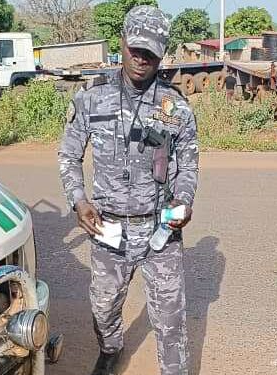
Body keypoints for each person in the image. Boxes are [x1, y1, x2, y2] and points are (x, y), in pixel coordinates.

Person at [58, 5, 199, 375]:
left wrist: (183, 201)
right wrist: (79, 201)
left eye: (150, 52)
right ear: (121, 42)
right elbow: (69, 156)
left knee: (170, 320)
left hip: (159, 230)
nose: (140, 59)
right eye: (135, 48)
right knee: (103, 308)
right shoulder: (91, 97)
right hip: (106, 227)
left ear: (161, 54)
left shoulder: (176, 107)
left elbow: (188, 164)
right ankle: (110, 349)